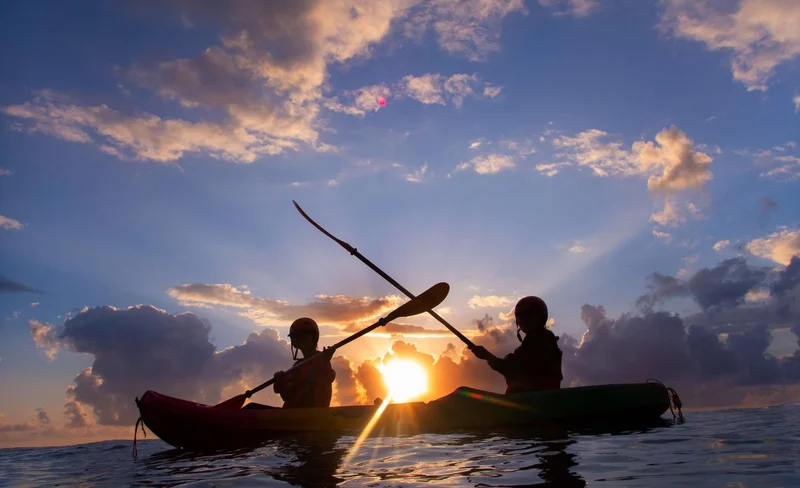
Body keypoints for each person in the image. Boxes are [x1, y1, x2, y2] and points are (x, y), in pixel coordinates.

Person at [471, 296, 563, 393]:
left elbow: (513, 369)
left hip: (531, 401)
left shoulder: (541, 343)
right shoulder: (542, 342)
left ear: (539, 317)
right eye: (519, 316)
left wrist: (486, 355)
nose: (522, 319)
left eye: (527, 315)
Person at [273, 317, 336, 408]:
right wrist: (280, 381)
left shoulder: (321, 359)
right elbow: (286, 396)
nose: (299, 339)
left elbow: (328, 376)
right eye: (296, 336)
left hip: (313, 413)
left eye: (303, 336)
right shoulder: (297, 366)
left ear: (313, 338)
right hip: (295, 414)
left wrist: (323, 363)